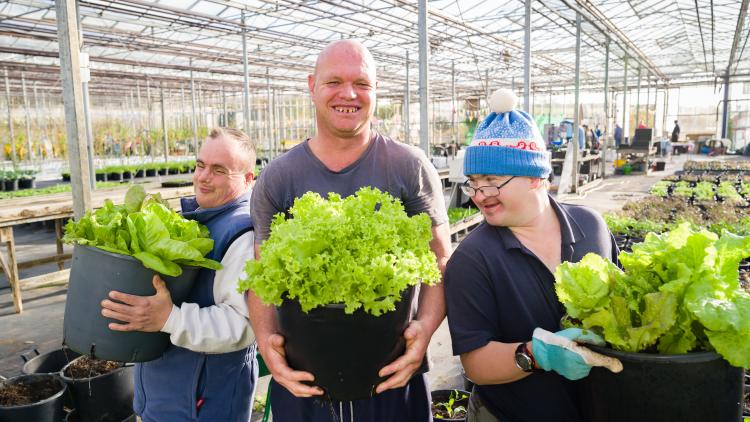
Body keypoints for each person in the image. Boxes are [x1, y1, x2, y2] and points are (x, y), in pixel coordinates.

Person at [247, 40, 451, 422]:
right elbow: (263, 276)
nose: (349, 94)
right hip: (307, 381)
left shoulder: (408, 166)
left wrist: (424, 329)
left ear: (376, 89)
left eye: (361, 83)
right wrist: (266, 343)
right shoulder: (279, 177)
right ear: (311, 86)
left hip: (391, 376)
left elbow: (439, 260)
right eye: (334, 82)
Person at [444, 88, 623, 422]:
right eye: (473, 183)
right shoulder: (473, 258)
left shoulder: (591, 226)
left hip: (599, 407)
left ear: (535, 177)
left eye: (491, 181)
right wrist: (536, 355)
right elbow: (475, 364)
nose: (479, 196)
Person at [101, 127, 259, 421]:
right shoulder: (202, 217)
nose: (202, 177)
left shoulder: (243, 234)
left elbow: (243, 325)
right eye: (200, 165)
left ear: (248, 179)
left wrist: (169, 318)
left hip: (203, 403)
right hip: (167, 394)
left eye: (219, 170)